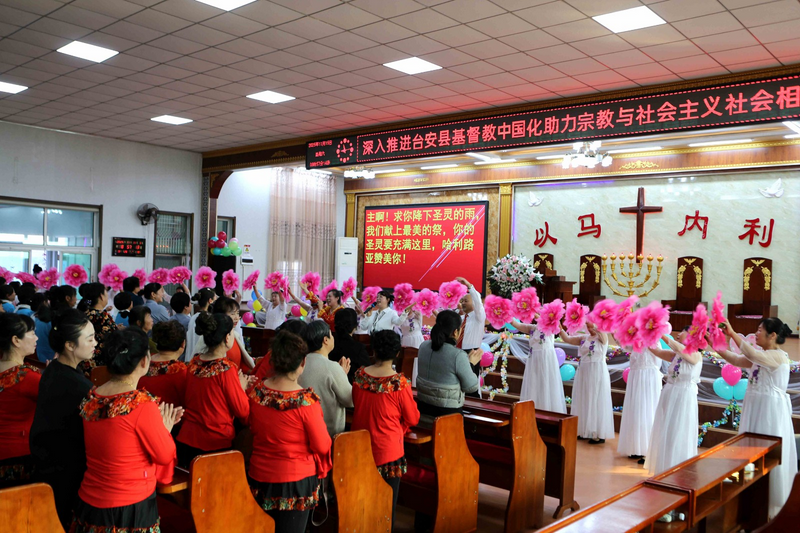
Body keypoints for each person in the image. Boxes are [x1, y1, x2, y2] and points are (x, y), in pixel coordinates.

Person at [71, 327, 182, 533]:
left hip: (90, 501)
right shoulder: (141, 404)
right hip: (128, 504)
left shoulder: (93, 396)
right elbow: (165, 455)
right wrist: (165, 429)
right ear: (143, 361)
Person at [247, 330, 331, 532]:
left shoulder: (257, 392)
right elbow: (322, 445)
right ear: (302, 363)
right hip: (294, 480)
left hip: (259, 475)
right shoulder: (305, 401)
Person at [715, 317, 797, 518]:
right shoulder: (761, 356)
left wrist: (732, 333)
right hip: (755, 408)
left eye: (760, 330)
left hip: (770, 412)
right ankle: (750, 503)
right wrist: (714, 343)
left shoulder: (778, 356)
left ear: (773, 335)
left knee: (765, 455)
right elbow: (735, 360)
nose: (756, 334)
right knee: (749, 452)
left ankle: (769, 505)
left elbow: (750, 354)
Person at [29, 309, 95, 528]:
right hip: (65, 471)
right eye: (90, 338)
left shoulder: (55, 370)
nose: (95, 343)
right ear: (70, 345)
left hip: (50, 463)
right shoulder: (76, 385)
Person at [352, 330, 420, 528]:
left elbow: (357, 404)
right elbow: (413, 418)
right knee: (385, 506)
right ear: (397, 353)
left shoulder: (360, 375)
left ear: (373, 350)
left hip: (360, 446)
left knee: (361, 502)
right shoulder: (399, 383)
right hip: (387, 450)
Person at [176, 312, 253, 467]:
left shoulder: (194, 363)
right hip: (215, 443)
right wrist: (241, 387)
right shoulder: (225, 369)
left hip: (186, 439)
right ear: (227, 338)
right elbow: (243, 412)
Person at [645, 328, 702, 475]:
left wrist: (661, 334)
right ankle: (665, 467)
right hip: (670, 395)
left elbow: (678, 347)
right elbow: (657, 351)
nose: (678, 334)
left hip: (683, 397)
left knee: (679, 430)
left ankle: (679, 469)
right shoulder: (677, 355)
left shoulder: (695, 354)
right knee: (668, 430)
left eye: (682, 332)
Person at [415, 310, 482, 418]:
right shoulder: (457, 355)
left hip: (422, 407)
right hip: (447, 414)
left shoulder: (423, 346)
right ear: (455, 332)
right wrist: (471, 364)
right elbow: (471, 387)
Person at [0, 313, 40, 488]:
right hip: (20, 457)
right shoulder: (26, 377)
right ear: (16, 340)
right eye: (32, 333)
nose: (36, 338)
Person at [560, 321, 614, 443]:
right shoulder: (584, 338)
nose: (589, 329)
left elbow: (604, 339)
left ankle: (597, 432)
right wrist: (560, 329)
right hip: (584, 370)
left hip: (596, 370)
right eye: (588, 326)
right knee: (584, 398)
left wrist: (596, 325)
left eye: (591, 326)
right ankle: (584, 430)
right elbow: (567, 339)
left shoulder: (602, 336)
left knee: (595, 398)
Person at [298, 320, 352, 437]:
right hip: (328, 435)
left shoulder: (299, 364)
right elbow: (350, 400)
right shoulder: (332, 367)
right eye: (331, 335)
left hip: (302, 432)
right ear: (325, 340)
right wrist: (342, 374)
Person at [511, 314, 567, 414]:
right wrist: (507, 316)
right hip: (534, 361)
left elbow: (553, 323)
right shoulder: (532, 328)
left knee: (546, 384)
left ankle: (547, 413)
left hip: (546, 360)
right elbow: (517, 324)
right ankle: (534, 413)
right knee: (534, 384)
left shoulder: (550, 326)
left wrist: (534, 312)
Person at [618, 346, 663, 464]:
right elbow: (625, 345)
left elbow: (658, 357)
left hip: (647, 376)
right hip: (636, 376)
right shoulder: (636, 338)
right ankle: (636, 447)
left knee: (646, 410)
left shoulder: (653, 338)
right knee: (635, 411)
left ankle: (647, 449)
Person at [139, 320, 188, 408]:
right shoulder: (181, 371)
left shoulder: (144, 362)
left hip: (144, 416)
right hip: (172, 418)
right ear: (183, 344)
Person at [78, 282, 117, 368]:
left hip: (84, 360)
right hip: (100, 362)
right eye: (106, 292)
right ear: (101, 296)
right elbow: (115, 338)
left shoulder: (85, 314)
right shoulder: (103, 316)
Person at [210, 296, 254, 370]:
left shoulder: (235, 335)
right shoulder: (211, 336)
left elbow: (241, 361)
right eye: (233, 314)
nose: (237, 317)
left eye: (237, 313)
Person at [329, 308, 370, 383]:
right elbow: (366, 374)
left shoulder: (328, 345)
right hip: (351, 389)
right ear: (354, 327)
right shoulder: (358, 348)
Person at [185, 288, 217, 361]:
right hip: (201, 358)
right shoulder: (208, 318)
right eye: (215, 299)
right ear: (210, 301)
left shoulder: (193, 317)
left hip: (190, 357)